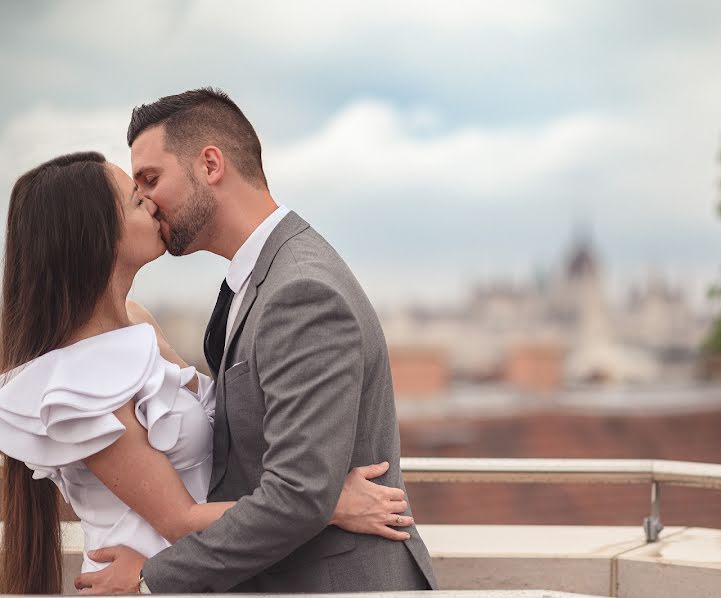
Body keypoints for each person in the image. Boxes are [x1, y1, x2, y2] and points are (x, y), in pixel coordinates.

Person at [0, 152, 414, 594]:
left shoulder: (139, 323)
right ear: (97, 235)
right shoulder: (78, 386)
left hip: (202, 576)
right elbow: (180, 520)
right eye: (137, 201)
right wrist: (327, 504)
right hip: (140, 582)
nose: (154, 204)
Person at [75, 88, 436, 593]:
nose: (147, 202)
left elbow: (297, 497)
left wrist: (149, 579)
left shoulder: (301, 291)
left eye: (151, 180)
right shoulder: (254, 281)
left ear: (210, 164)